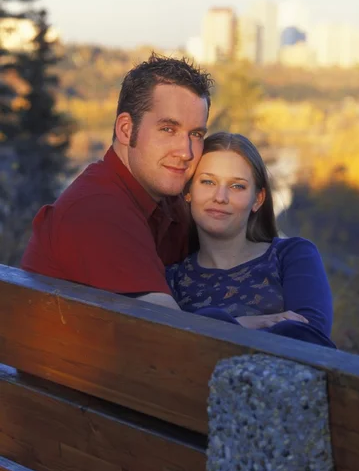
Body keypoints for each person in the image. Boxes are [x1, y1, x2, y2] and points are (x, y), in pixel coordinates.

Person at [21, 54, 214, 309]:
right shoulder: (96, 209)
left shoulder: (167, 202)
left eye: (196, 134)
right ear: (126, 130)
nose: (186, 152)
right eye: (168, 129)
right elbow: (171, 331)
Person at [166, 132, 336, 347]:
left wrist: (214, 325)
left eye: (237, 186)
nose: (220, 197)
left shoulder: (292, 256)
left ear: (258, 199)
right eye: (208, 182)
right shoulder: (172, 280)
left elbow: (309, 338)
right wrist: (247, 323)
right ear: (188, 192)